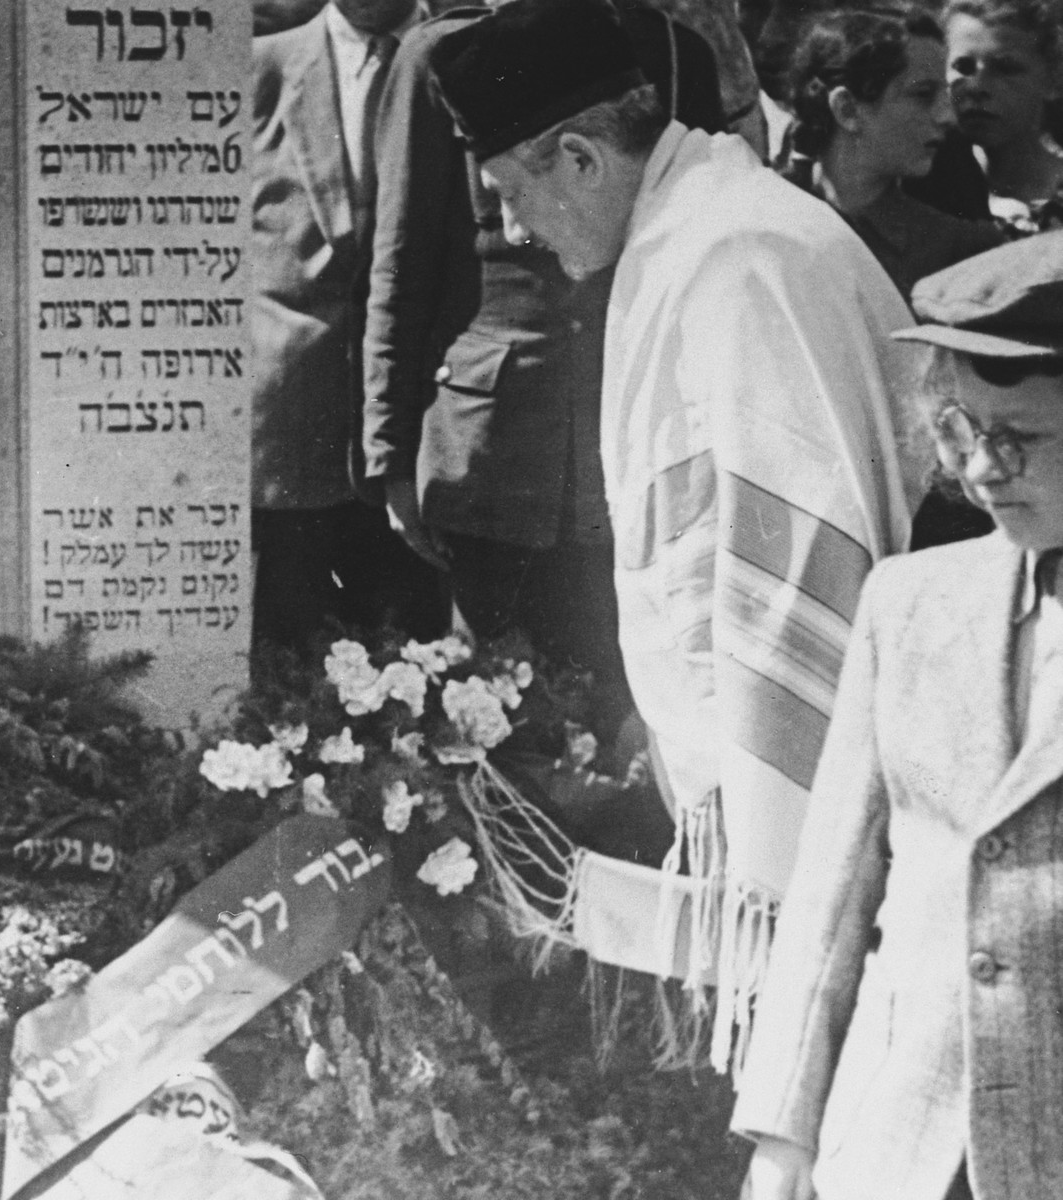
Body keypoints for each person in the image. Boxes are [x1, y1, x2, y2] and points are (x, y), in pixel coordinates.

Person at [427, 0, 925, 1064]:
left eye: (512, 193)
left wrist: (777, 867)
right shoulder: (694, 226)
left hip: (846, 774)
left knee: (819, 1055)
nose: (514, 228)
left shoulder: (739, 254)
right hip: (789, 757)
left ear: (577, 156)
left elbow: (794, 571)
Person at [733, 233, 1063, 1200]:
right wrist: (782, 1134)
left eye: (1024, 439)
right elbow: (835, 887)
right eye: (959, 431)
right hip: (904, 1143)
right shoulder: (907, 601)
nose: (982, 470)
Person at [361, 0, 724, 742]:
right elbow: (403, 258)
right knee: (488, 716)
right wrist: (388, 452)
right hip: (492, 445)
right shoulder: (443, 54)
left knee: (632, 712)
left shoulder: (669, 49)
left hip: (630, 428)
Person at [248, 0, 450, 653]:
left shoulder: (457, 56)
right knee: (288, 677)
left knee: (414, 672)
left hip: (421, 440)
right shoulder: (258, 69)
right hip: (290, 439)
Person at [783, 6, 1003, 300]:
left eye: (945, 95)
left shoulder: (960, 251)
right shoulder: (769, 215)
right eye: (923, 94)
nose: (947, 116)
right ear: (847, 109)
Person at [946, 0, 1063, 234]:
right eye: (963, 67)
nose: (977, 86)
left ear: (1054, 81)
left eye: (1005, 68)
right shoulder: (921, 190)